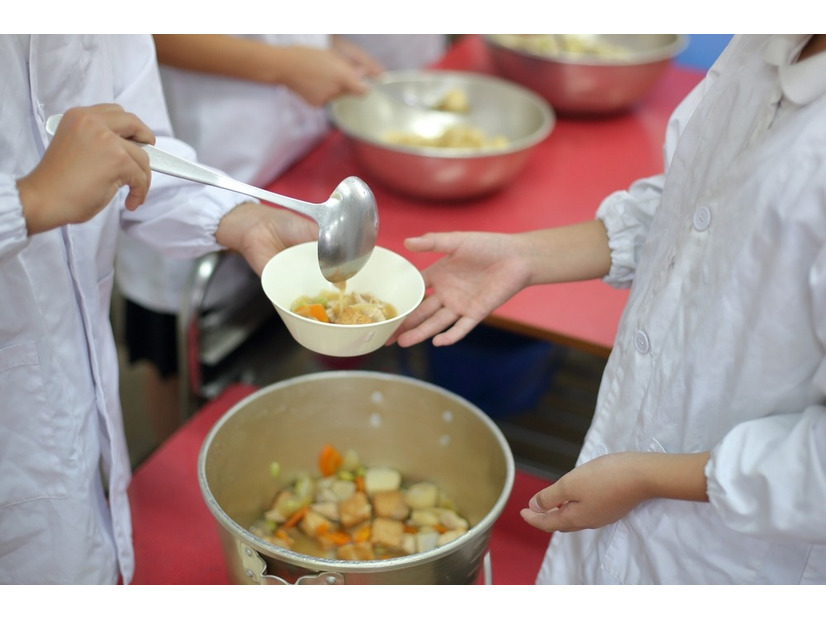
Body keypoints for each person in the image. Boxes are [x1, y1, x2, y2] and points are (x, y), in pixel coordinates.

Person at [389, 34, 826, 584]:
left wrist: (647, 477)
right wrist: (525, 256)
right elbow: (704, 209)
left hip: (744, 560)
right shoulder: (768, 39)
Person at [0, 35, 316, 584]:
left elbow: (142, 153)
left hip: (78, 395)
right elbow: (55, 187)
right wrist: (29, 201)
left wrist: (243, 221)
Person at [114, 34, 447, 439]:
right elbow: (148, 32)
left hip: (286, 157)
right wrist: (283, 64)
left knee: (260, 334)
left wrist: (320, 42)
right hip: (205, 148)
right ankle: (182, 454)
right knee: (178, 355)